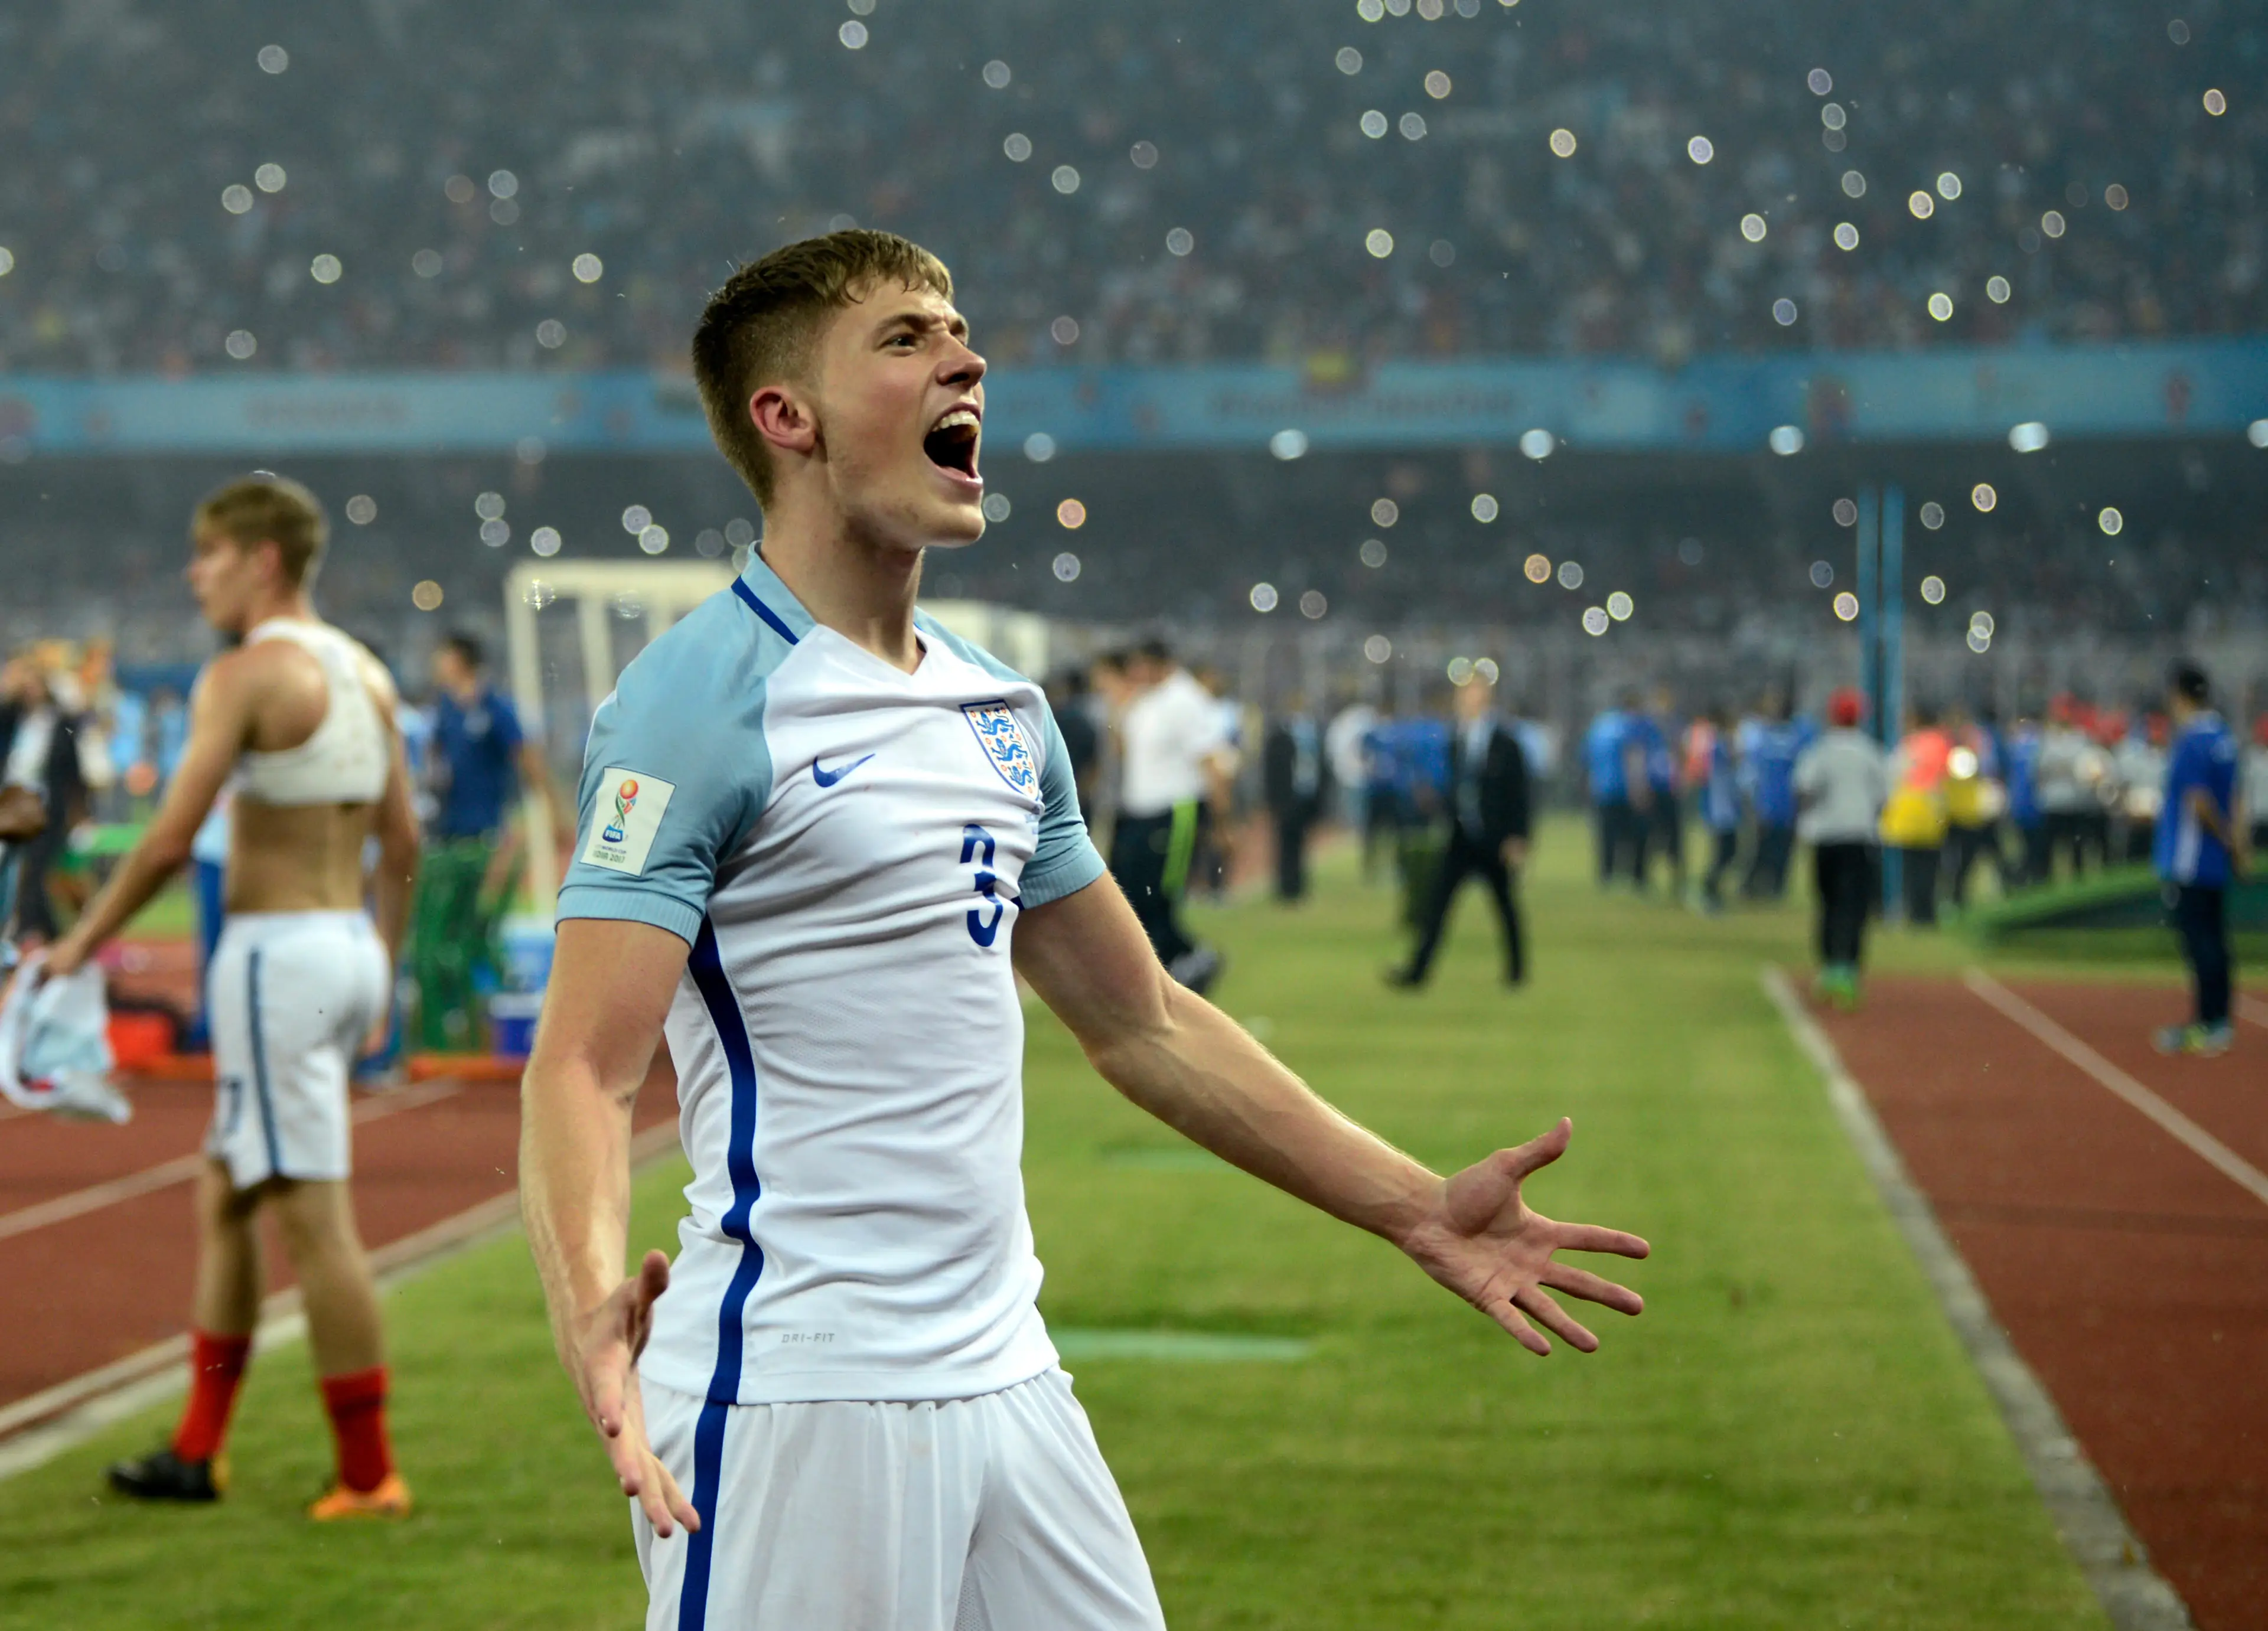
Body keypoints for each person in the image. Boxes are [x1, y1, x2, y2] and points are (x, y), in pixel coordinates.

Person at [517, 230, 1648, 1631]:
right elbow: (582, 1064)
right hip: (799, 1381)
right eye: (907, 337)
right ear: (785, 416)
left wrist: (1415, 1206)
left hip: (1011, 1372)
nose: (966, 357)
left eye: (961, 329)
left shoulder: (1001, 712)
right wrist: (583, 1303)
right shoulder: (695, 701)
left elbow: (1143, 1018)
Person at [41, 475, 421, 1516]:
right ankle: (198, 1447)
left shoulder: (247, 674)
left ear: (261, 558)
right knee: (228, 1190)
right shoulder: (369, 672)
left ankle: (368, 1471)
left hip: (277, 955)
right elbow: (406, 840)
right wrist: (383, 968)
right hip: (344, 943)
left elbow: (169, 837)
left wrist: (83, 939)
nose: (191, 573)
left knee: (315, 1217)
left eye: (206, 554)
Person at [410, 631, 563, 1050]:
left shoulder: (497, 709)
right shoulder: (441, 711)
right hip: (444, 841)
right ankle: (447, 1035)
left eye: (442, 656)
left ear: (460, 660)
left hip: (483, 842)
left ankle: (499, 1028)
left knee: (475, 940)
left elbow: (528, 760)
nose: (436, 664)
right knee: (438, 946)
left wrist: (553, 813)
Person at [1389, 674, 1532, 989]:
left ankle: (1517, 972)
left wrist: (1518, 837)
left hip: (1494, 838)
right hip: (1461, 836)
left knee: (1506, 907)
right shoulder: (1455, 739)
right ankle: (1417, 972)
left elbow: (1520, 793)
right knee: (1438, 905)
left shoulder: (1506, 742)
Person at [1112, 638, 1234, 991]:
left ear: (1157, 663)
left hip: (1174, 812)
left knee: (1157, 897)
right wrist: (1120, 707)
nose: (1132, 673)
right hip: (1138, 813)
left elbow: (1212, 761)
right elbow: (1122, 751)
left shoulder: (1186, 700)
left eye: (1137, 665)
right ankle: (1173, 969)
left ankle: (1189, 959)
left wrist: (1223, 822)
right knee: (1131, 896)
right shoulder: (1145, 699)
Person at [2151, 660, 2247, 1057]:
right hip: (2214, 859)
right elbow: (2236, 796)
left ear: (2180, 694)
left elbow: (2198, 800)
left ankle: (2210, 1022)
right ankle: (2216, 1020)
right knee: (2216, 939)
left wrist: (2223, 837)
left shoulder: (2192, 739)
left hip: (2191, 857)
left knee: (2199, 941)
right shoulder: (2224, 736)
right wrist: (2238, 845)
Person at [1794, 689, 1889, 1009]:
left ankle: (1828, 969)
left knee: (1829, 903)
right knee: (1855, 907)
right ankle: (1848, 970)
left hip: (1825, 838)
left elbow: (1805, 789)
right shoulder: (1870, 752)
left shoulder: (1821, 750)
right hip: (1859, 838)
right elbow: (1883, 797)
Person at [1881, 704, 1952, 927]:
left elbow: (1894, 773)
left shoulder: (1909, 744)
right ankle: (1927, 913)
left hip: (1907, 812)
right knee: (1930, 867)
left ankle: (1913, 911)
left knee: (1910, 868)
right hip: (1932, 812)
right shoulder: (1942, 743)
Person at [1260, 694, 1327, 903]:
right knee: (1285, 843)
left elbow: (1322, 766)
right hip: (1287, 797)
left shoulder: (1314, 734)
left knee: (1302, 842)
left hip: (1307, 794)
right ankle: (1286, 888)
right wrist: (1274, 800)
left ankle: (1299, 886)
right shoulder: (1280, 736)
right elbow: (1272, 770)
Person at [1741, 693, 1805, 900]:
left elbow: (1754, 772)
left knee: (1762, 848)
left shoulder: (1765, 739)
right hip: (1788, 803)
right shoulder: (1797, 740)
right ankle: (1776, 887)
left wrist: (1753, 801)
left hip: (1767, 802)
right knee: (1784, 849)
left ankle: (1751, 885)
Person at [1695, 705, 1743, 913]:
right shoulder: (1718, 745)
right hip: (1720, 809)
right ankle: (1708, 890)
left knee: (1728, 851)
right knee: (1725, 851)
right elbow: (1731, 762)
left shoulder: (1716, 744)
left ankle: (1712, 889)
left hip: (1726, 807)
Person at [1582, 694, 1633, 888]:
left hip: (1601, 788)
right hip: (1624, 788)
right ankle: (1630, 873)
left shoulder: (1597, 727)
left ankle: (1606, 873)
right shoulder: (1626, 727)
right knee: (1628, 834)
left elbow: (1585, 759)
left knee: (1606, 834)